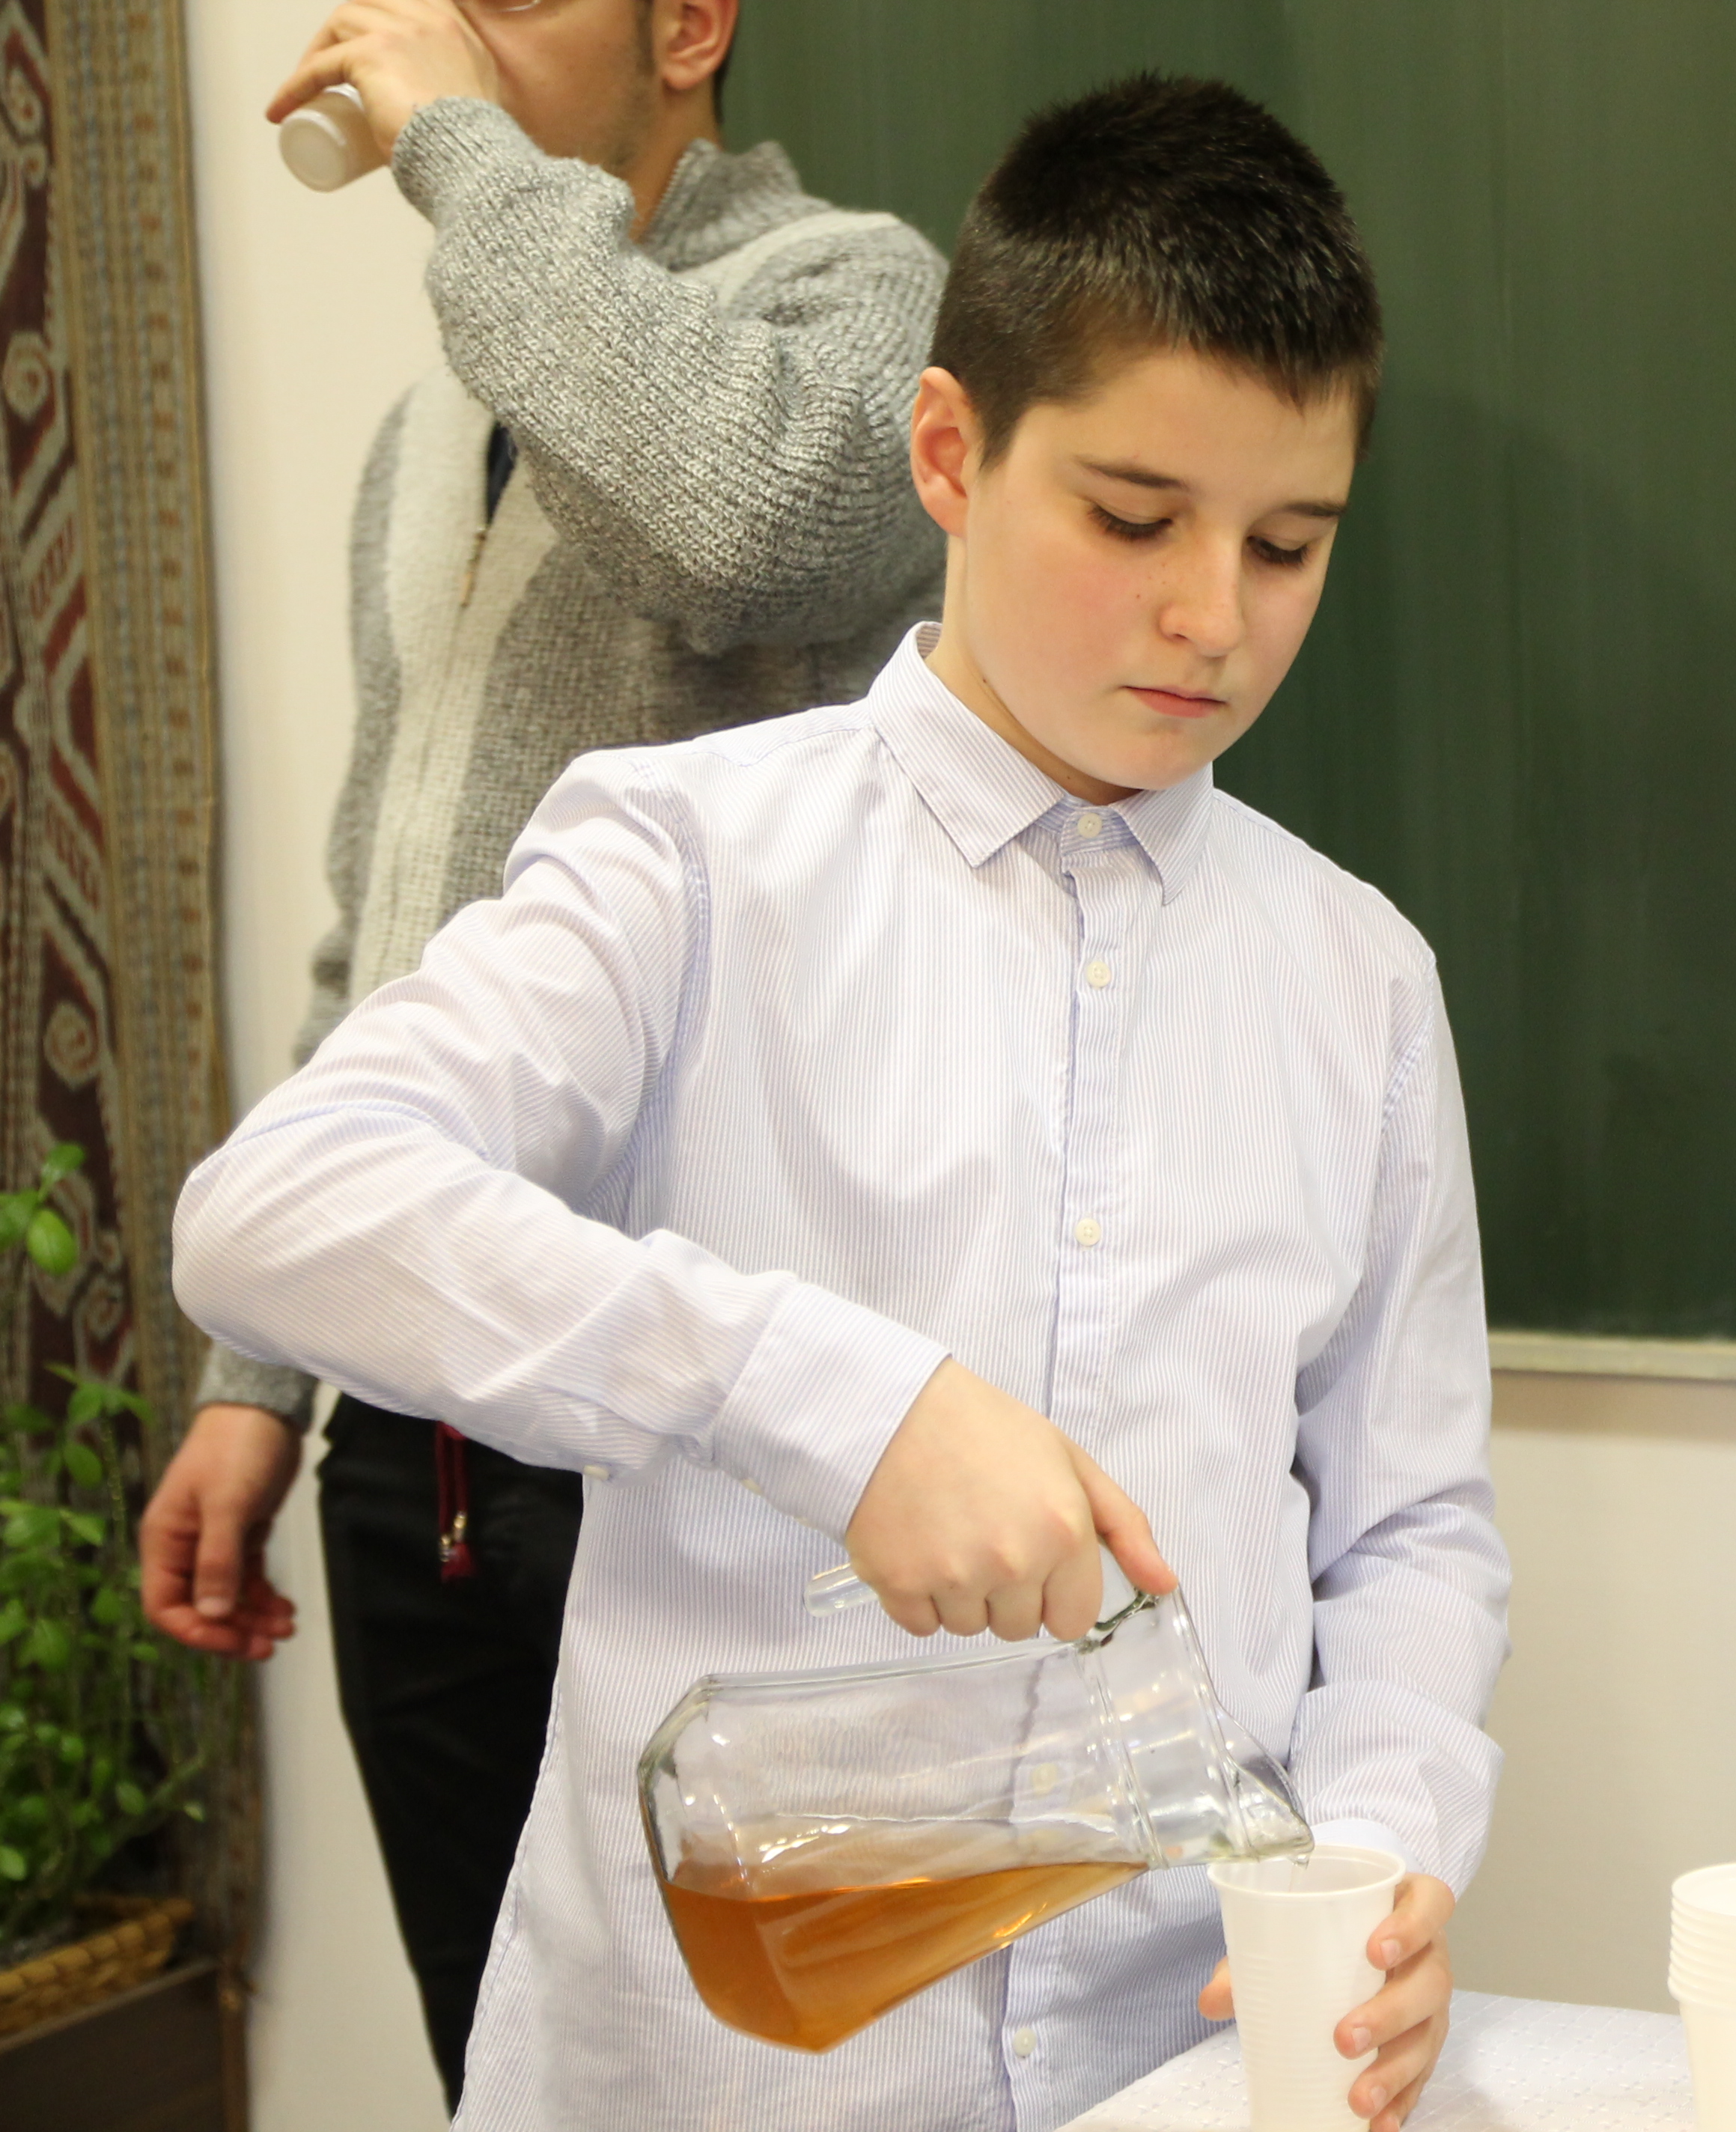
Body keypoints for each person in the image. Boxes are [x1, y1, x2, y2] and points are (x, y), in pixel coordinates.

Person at [170, 73, 1507, 2132]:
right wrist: (837, 1405)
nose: (1213, 618)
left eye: (1288, 545)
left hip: (1175, 2054)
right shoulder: (691, 860)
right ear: (948, 454)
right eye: (1133, 519)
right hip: (729, 2063)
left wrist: (1390, 1830)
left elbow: (1409, 1522)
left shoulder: (1361, 980)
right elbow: (282, 1212)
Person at [138, 0, 948, 2102]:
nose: (449, 26)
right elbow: (383, 916)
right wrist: (255, 1381)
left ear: (690, 25)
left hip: (692, 1434)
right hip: (415, 1435)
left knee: (743, 2086)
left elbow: (741, 524)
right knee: (499, 2081)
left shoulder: (857, 304)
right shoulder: (440, 417)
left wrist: (458, 155)